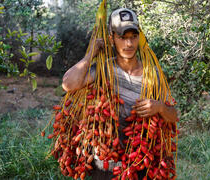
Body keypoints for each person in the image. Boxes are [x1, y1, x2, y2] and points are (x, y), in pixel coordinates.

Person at [62, 8, 178, 180]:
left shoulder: (153, 75)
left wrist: (160, 107)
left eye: (133, 37)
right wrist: (90, 54)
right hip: (105, 166)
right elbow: (68, 84)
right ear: (112, 39)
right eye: (122, 37)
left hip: (140, 166)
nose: (129, 44)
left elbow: (174, 116)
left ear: (139, 38)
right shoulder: (102, 69)